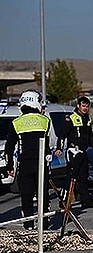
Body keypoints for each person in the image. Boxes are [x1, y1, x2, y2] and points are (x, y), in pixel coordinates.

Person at [5, 90, 51, 230]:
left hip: (25, 164)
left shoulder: (16, 122)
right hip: (41, 163)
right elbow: (47, 144)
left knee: (26, 195)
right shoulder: (45, 121)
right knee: (42, 194)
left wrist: (10, 166)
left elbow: (9, 147)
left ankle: (28, 224)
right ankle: (44, 223)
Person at [55, 96, 93, 208]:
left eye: (87, 106)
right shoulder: (71, 118)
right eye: (83, 106)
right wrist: (59, 148)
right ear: (78, 106)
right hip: (73, 151)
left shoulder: (88, 119)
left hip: (83, 151)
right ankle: (64, 200)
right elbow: (62, 135)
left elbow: (90, 137)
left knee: (83, 177)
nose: (85, 108)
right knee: (71, 176)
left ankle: (85, 200)